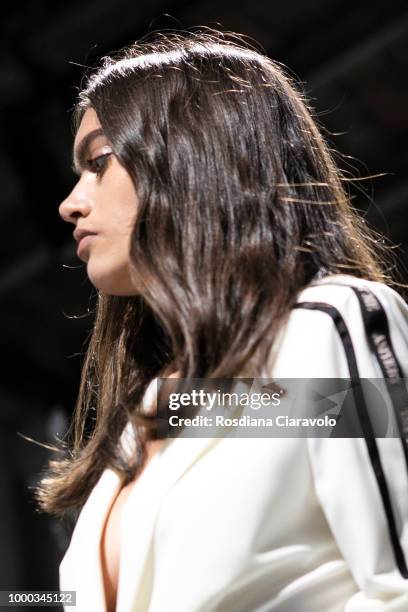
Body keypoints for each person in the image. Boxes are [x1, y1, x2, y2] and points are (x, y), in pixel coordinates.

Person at [37, 27, 408, 611]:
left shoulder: (322, 332)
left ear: (190, 157)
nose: (71, 202)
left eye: (99, 161)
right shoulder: (153, 413)